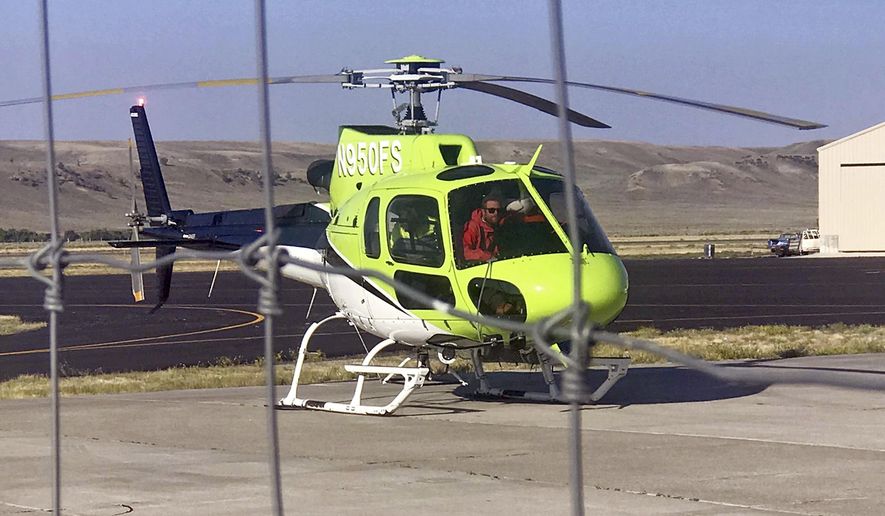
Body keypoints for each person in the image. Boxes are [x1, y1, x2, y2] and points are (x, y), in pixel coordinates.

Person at [461, 194, 503, 262]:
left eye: (499, 210)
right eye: (491, 210)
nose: (496, 213)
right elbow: (465, 252)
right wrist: (487, 256)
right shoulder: (472, 227)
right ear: (483, 212)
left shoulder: (499, 223)